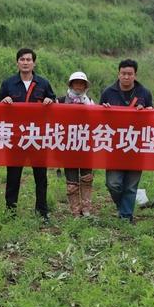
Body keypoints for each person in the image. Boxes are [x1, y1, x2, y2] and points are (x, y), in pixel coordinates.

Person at [0, 48, 56, 221]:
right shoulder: (8, 83)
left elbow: (55, 105)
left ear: (34, 63)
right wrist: (4, 101)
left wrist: (50, 101)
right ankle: (11, 212)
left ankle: (42, 212)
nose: (25, 62)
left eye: (28, 59)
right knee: (13, 176)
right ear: (17, 63)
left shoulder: (43, 84)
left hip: (38, 137)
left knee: (41, 177)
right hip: (16, 137)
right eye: (22, 59)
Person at [100, 58, 153, 222]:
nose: (126, 77)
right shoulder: (108, 92)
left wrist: (146, 111)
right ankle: (123, 207)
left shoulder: (144, 93)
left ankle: (125, 217)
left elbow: (152, 118)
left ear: (135, 75)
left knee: (131, 185)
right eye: (123, 73)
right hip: (115, 145)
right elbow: (99, 119)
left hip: (135, 145)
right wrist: (104, 111)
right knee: (113, 184)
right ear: (118, 74)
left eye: (130, 74)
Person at [59, 72, 96, 217]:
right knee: (71, 181)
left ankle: (86, 209)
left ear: (85, 86)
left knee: (87, 178)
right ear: (71, 84)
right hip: (68, 147)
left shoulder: (91, 102)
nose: (78, 86)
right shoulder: (60, 102)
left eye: (81, 83)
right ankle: (75, 210)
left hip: (86, 146)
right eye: (76, 83)